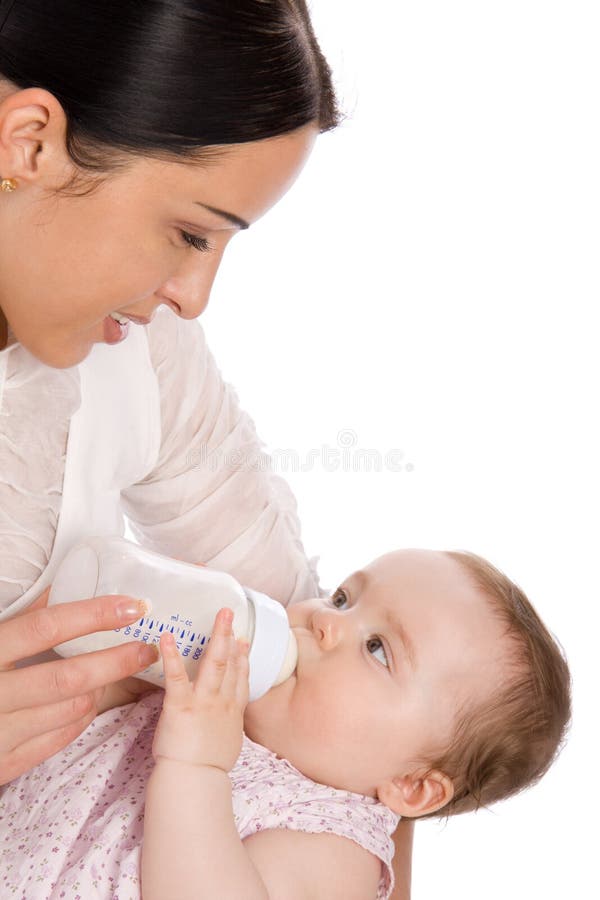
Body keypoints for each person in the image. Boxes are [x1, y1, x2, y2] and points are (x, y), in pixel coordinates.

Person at [0, 1, 415, 895]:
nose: (193, 297)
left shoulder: (135, 353)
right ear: (28, 143)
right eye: (190, 233)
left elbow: (385, 729)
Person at [0, 548, 571, 898]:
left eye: (377, 648)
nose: (324, 622)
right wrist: (130, 662)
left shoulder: (335, 846)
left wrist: (196, 768)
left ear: (413, 787)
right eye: (343, 598)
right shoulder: (216, 705)